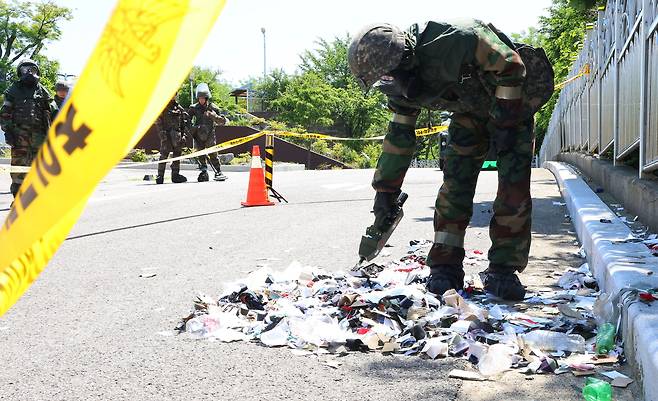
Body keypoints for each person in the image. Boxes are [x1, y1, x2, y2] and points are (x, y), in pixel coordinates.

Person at [348, 20, 553, 300]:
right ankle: (445, 266)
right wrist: (385, 191)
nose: (387, 86)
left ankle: (503, 269)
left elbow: (512, 66)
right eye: (381, 81)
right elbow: (399, 137)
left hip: (511, 101)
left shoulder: (458, 40)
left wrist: (506, 123)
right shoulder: (400, 87)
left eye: (387, 77)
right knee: (455, 184)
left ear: (405, 61)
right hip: (467, 112)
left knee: (513, 186)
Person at [0, 59, 58, 198]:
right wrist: (8, 132)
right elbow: (5, 113)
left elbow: (54, 110)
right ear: (20, 72)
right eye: (25, 70)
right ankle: (18, 200)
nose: (29, 73)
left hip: (40, 139)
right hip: (19, 139)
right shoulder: (14, 89)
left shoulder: (41, 90)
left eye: (31, 70)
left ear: (37, 71)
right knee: (19, 171)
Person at [187, 83, 228, 182]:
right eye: (199, 98)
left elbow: (223, 121)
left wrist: (214, 116)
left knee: (213, 153)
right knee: (200, 153)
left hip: (210, 134)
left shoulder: (213, 107)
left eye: (203, 98)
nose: (201, 100)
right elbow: (186, 120)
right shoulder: (194, 108)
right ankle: (204, 171)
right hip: (198, 134)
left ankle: (218, 171)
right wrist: (193, 129)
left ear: (206, 98)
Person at [155, 93, 188, 184]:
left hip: (177, 137)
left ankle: (175, 175)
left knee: (177, 156)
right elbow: (158, 121)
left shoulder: (179, 108)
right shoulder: (163, 107)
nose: (173, 96)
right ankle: (160, 176)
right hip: (167, 136)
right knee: (163, 156)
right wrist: (162, 133)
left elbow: (183, 124)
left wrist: (184, 135)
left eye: (174, 95)